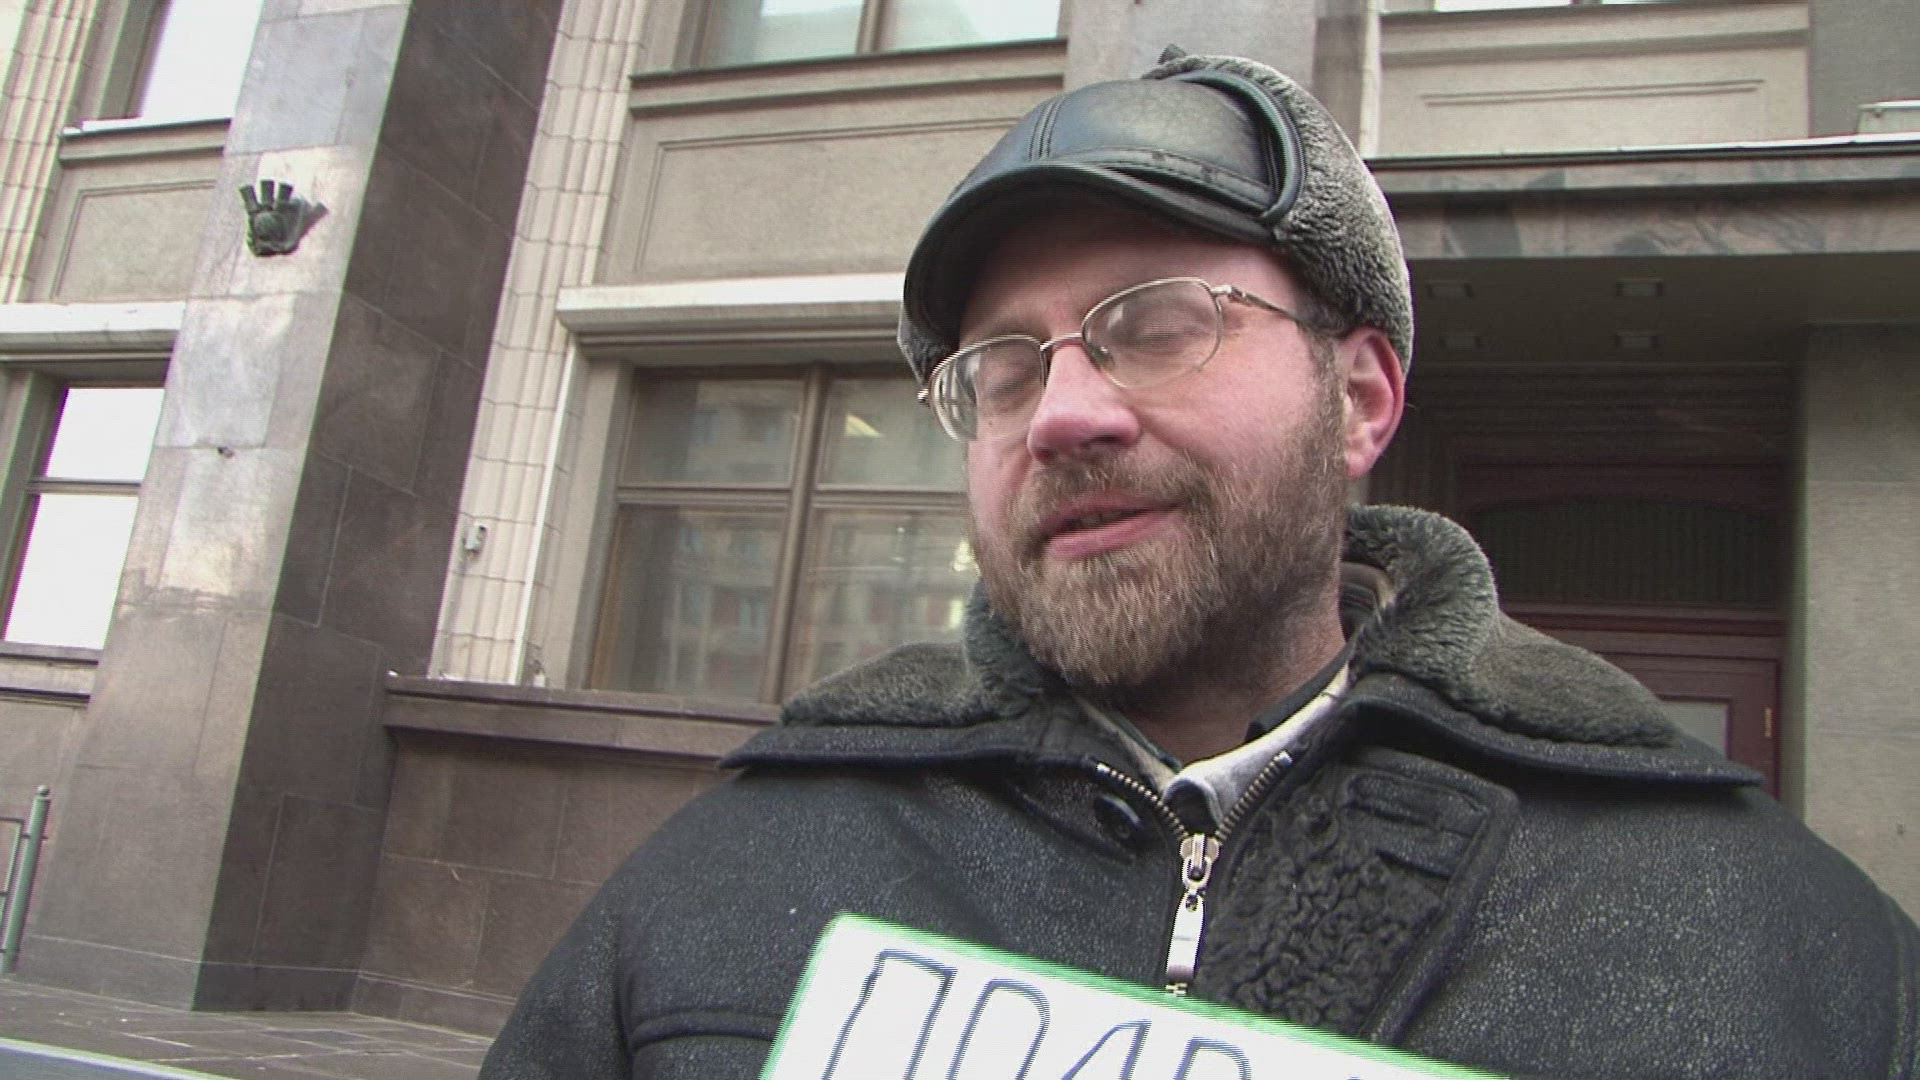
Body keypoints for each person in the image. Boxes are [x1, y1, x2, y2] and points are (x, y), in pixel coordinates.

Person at [480, 50, 1919, 1079]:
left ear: (1360, 399)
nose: (1062, 413)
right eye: (1002, 365)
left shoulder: (1772, 945)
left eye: (1157, 323)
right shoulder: (730, 875)